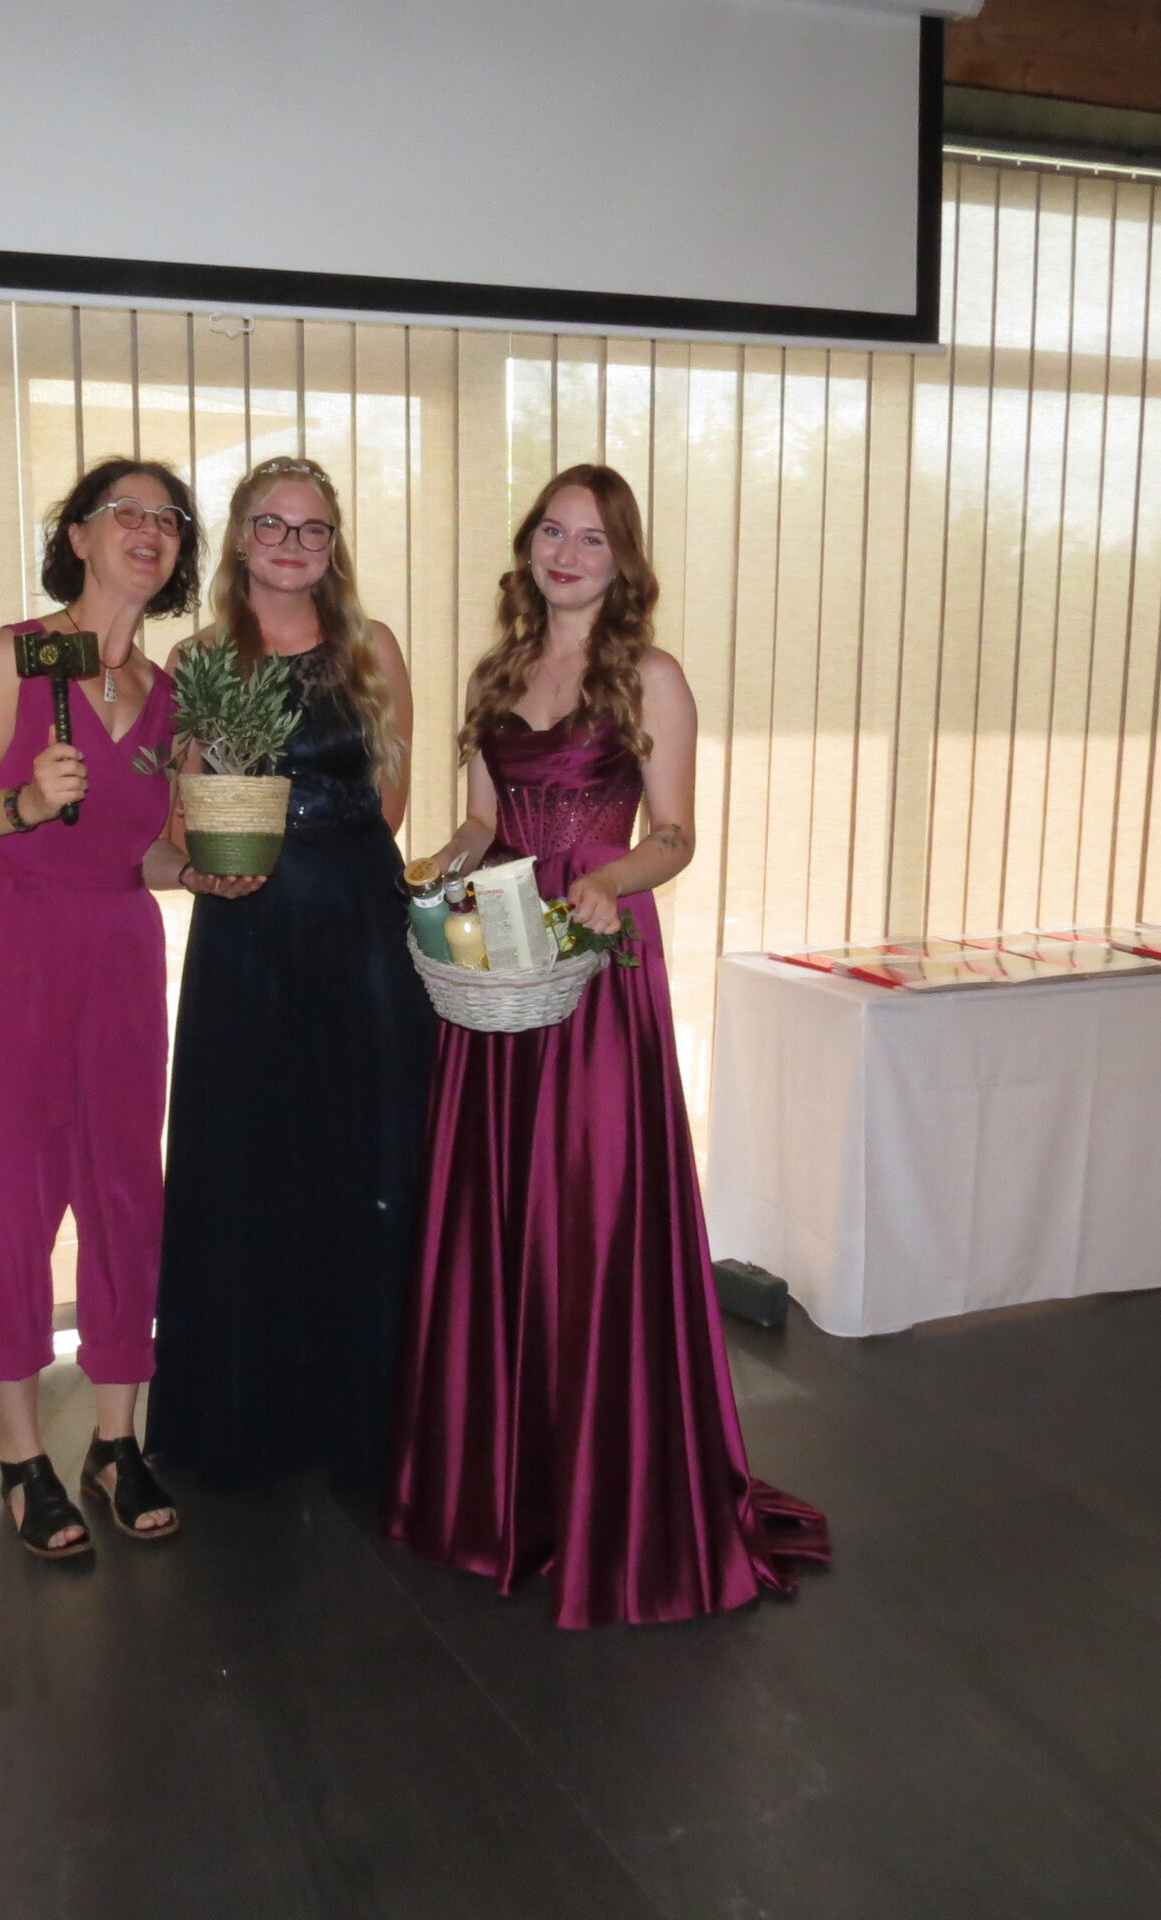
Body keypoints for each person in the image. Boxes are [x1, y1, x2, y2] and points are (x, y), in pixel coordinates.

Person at [382, 463, 830, 1627]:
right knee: (493, 1209)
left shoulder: (650, 677)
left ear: (622, 561)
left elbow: (675, 834)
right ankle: (498, 1488)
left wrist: (611, 880)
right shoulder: (493, 674)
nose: (566, 554)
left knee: (590, 1211)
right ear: (527, 546)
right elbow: (482, 821)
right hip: (500, 962)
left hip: (594, 960)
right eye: (550, 531)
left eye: (590, 538)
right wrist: (437, 865)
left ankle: (608, 1490)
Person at [0, 456, 249, 1560]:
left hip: (118, 959)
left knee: (122, 1199)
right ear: (77, 536)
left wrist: (195, 871)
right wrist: (19, 801)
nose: (148, 530)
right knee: (8, 1206)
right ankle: (22, 1456)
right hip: (11, 953)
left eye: (169, 519)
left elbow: (136, 853)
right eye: (125, 512)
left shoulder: (169, 695)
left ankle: (115, 1442)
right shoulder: (16, 655)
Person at [146, 456, 437, 1494]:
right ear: (239, 536)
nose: (290, 544)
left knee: (365, 1155)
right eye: (271, 524)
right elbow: (181, 815)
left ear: (333, 546)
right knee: (251, 1156)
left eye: (312, 529)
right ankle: (250, 1414)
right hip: (248, 929)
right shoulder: (196, 659)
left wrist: (324, 867)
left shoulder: (372, 648)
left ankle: (369, 1409)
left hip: (361, 929)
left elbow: (391, 801)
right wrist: (233, 859)